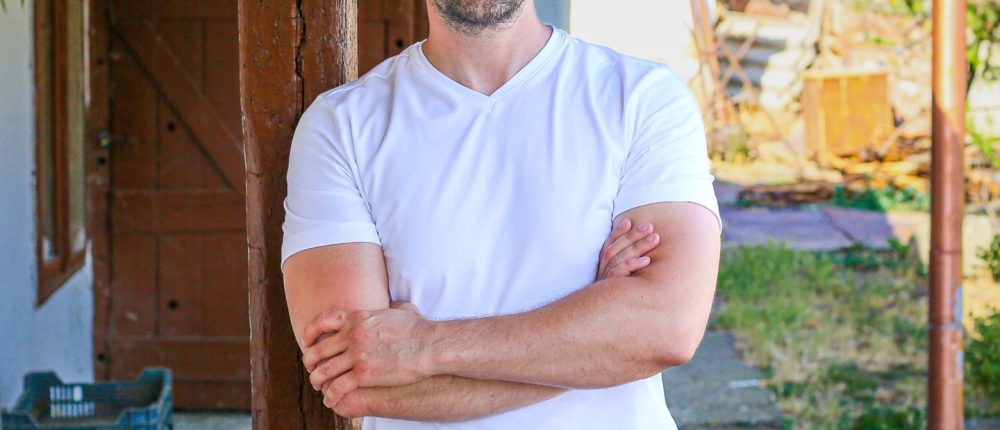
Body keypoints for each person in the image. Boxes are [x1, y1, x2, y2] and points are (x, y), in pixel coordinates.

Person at [280, 0, 721, 428]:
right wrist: (598, 347)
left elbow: (667, 328)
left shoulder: (641, 97)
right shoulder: (341, 126)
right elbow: (354, 383)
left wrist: (421, 346)